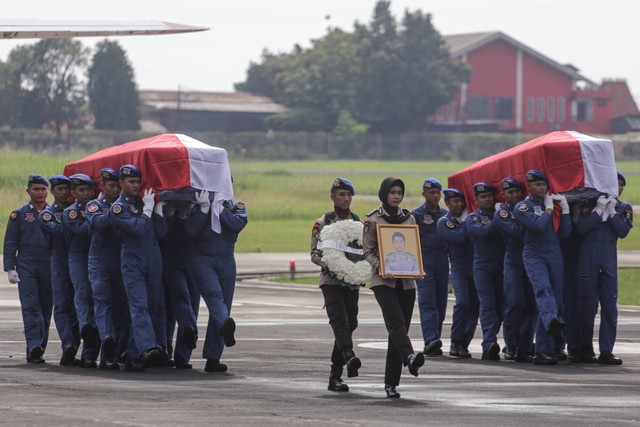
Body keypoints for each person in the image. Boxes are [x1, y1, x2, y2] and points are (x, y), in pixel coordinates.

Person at [363, 177, 425, 399]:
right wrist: (381, 267)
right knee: (396, 323)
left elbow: (414, 248)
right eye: (392, 192)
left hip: (407, 283)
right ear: (384, 194)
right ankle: (409, 358)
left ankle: (391, 384)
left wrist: (418, 269)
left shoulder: (409, 218)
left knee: (398, 332)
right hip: (383, 281)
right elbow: (367, 251)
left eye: (399, 192)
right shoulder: (372, 219)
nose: (396, 196)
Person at [109, 164, 164, 371]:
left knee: (151, 306)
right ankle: (147, 347)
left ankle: (133, 355)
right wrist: (148, 209)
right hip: (132, 261)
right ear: (121, 183)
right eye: (131, 182)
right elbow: (138, 228)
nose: (135, 185)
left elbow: (162, 232)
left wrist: (157, 209)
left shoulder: (144, 202)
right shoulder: (118, 208)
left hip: (152, 259)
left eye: (137, 182)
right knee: (139, 305)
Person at [573, 172, 633, 365]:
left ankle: (606, 350)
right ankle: (584, 347)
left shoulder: (623, 208)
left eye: (622, 185)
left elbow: (623, 231)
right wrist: (598, 212)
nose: (619, 188)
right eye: (615, 184)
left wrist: (613, 213)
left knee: (609, 306)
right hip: (587, 260)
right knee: (586, 307)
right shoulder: (587, 205)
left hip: (608, 261)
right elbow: (580, 229)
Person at [185, 190, 248, 373]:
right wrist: (204, 209)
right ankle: (225, 327)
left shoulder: (235, 207)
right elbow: (190, 229)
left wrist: (218, 209)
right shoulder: (198, 204)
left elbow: (237, 224)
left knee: (224, 304)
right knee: (215, 297)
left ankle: (213, 357)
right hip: (202, 258)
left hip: (226, 259)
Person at [513, 170, 571, 365]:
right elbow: (537, 226)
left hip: (554, 252)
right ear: (529, 187)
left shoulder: (552, 206)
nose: (542, 188)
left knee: (556, 299)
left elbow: (565, 233)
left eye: (544, 185)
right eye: (537, 185)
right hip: (534, 253)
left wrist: (564, 210)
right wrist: (548, 210)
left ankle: (550, 344)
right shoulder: (522, 207)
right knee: (543, 291)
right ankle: (545, 346)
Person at [310, 177, 362, 392]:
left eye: (349, 195)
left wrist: (356, 270)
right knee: (340, 322)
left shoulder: (358, 222)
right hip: (330, 281)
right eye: (342, 194)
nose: (346, 199)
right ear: (333, 197)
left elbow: (363, 251)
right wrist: (332, 265)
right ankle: (344, 362)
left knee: (351, 322)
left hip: (351, 282)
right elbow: (314, 254)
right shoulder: (322, 223)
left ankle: (339, 371)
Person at [3, 174, 53, 363]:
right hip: (27, 265)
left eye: (43, 189)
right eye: (36, 189)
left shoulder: (54, 213)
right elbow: (10, 242)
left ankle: (40, 347)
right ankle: (34, 346)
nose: (40, 193)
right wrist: (10, 268)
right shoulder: (20, 214)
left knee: (46, 308)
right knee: (31, 307)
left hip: (49, 264)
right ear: (28, 191)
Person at [85, 168, 130, 370]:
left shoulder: (126, 206)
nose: (116, 189)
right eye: (112, 185)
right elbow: (100, 223)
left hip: (120, 262)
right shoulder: (94, 205)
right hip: (100, 262)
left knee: (121, 308)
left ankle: (112, 354)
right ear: (102, 186)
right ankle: (107, 338)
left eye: (118, 185)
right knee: (102, 303)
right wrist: (118, 208)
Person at [38, 174, 81, 366]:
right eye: (59, 189)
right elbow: (61, 232)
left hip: (78, 260)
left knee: (79, 305)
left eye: (66, 189)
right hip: (59, 261)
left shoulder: (78, 210)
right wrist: (75, 223)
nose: (64, 192)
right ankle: (68, 344)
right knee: (63, 305)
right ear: (53, 192)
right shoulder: (46, 215)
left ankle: (75, 346)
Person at [493, 178, 536, 362]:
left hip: (531, 259)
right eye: (511, 192)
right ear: (504, 195)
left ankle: (525, 345)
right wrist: (531, 221)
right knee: (515, 303)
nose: (515, 195)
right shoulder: (502, 213)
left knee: (531, 305)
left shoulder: (529, 207)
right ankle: (511, 344)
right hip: (513, 260)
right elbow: (518, 231)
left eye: (518, 191)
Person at [154, 200, 200, 370]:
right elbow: (162, 234)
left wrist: (200, 211)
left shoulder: (203, 210)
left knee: (190, 305)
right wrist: (170, 214)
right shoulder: (167, 212)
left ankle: (182, 356)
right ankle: (166, 349)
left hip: (194, 263)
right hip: (171, 263)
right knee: (176, 304)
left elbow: (196, 231)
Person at [62, 173, 101, 368]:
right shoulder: (71, 213)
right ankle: (85, 323)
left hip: (98, 256)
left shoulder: (96, 208)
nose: (86, 194)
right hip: (78, 256)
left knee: (97, 298)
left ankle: (89, 355)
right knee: (82, 292)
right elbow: (86, 231)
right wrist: (95, 216)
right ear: (74, 193)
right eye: (81, 190)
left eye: (89, 190)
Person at [465, 182, 505, 361]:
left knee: (501, 306)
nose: (487, 199)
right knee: (487, 305)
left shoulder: (501, 214)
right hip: (483, 267)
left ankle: (494, 340)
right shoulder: (473, 218)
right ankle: (488, 343)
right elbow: (484, 232)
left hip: (502, 265)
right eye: (483, 197)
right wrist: (498, 215)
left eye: (490, 196)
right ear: (476, 200)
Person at [437, 188, 478, 358]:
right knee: (462, 303)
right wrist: (468, 221)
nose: (459, 204)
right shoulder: (444, 222)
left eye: (462, 201)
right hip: (459, 268)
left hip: (475, 266)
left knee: (475, 307)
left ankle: (465, 343)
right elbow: (460, 238)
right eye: (455, 201)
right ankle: (455, 341)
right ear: (447, 203)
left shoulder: (469, 219)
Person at [412, 178, 448, 357]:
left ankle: (436, 339)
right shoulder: (416, 215)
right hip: (424, 263)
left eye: (437, 192)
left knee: (441, 303)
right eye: (431, 192)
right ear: (423, 194)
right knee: (428, 302)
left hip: (442, 261)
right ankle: (429, 339)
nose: (435, 195)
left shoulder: (446, 214)